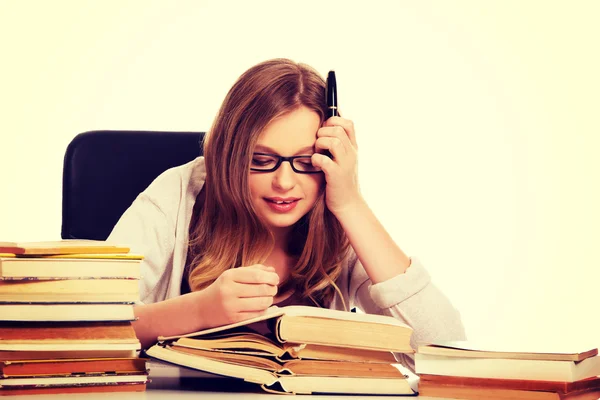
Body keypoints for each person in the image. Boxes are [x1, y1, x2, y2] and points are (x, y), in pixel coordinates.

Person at [108, 58, 466, 371]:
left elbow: (444, 350)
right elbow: (85, 326)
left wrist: (351, 204)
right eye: (260, 161)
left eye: (306, 162)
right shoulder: (178, 193)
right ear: (229, 157)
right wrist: (199, 312)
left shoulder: (336, 210)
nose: (284, 182)